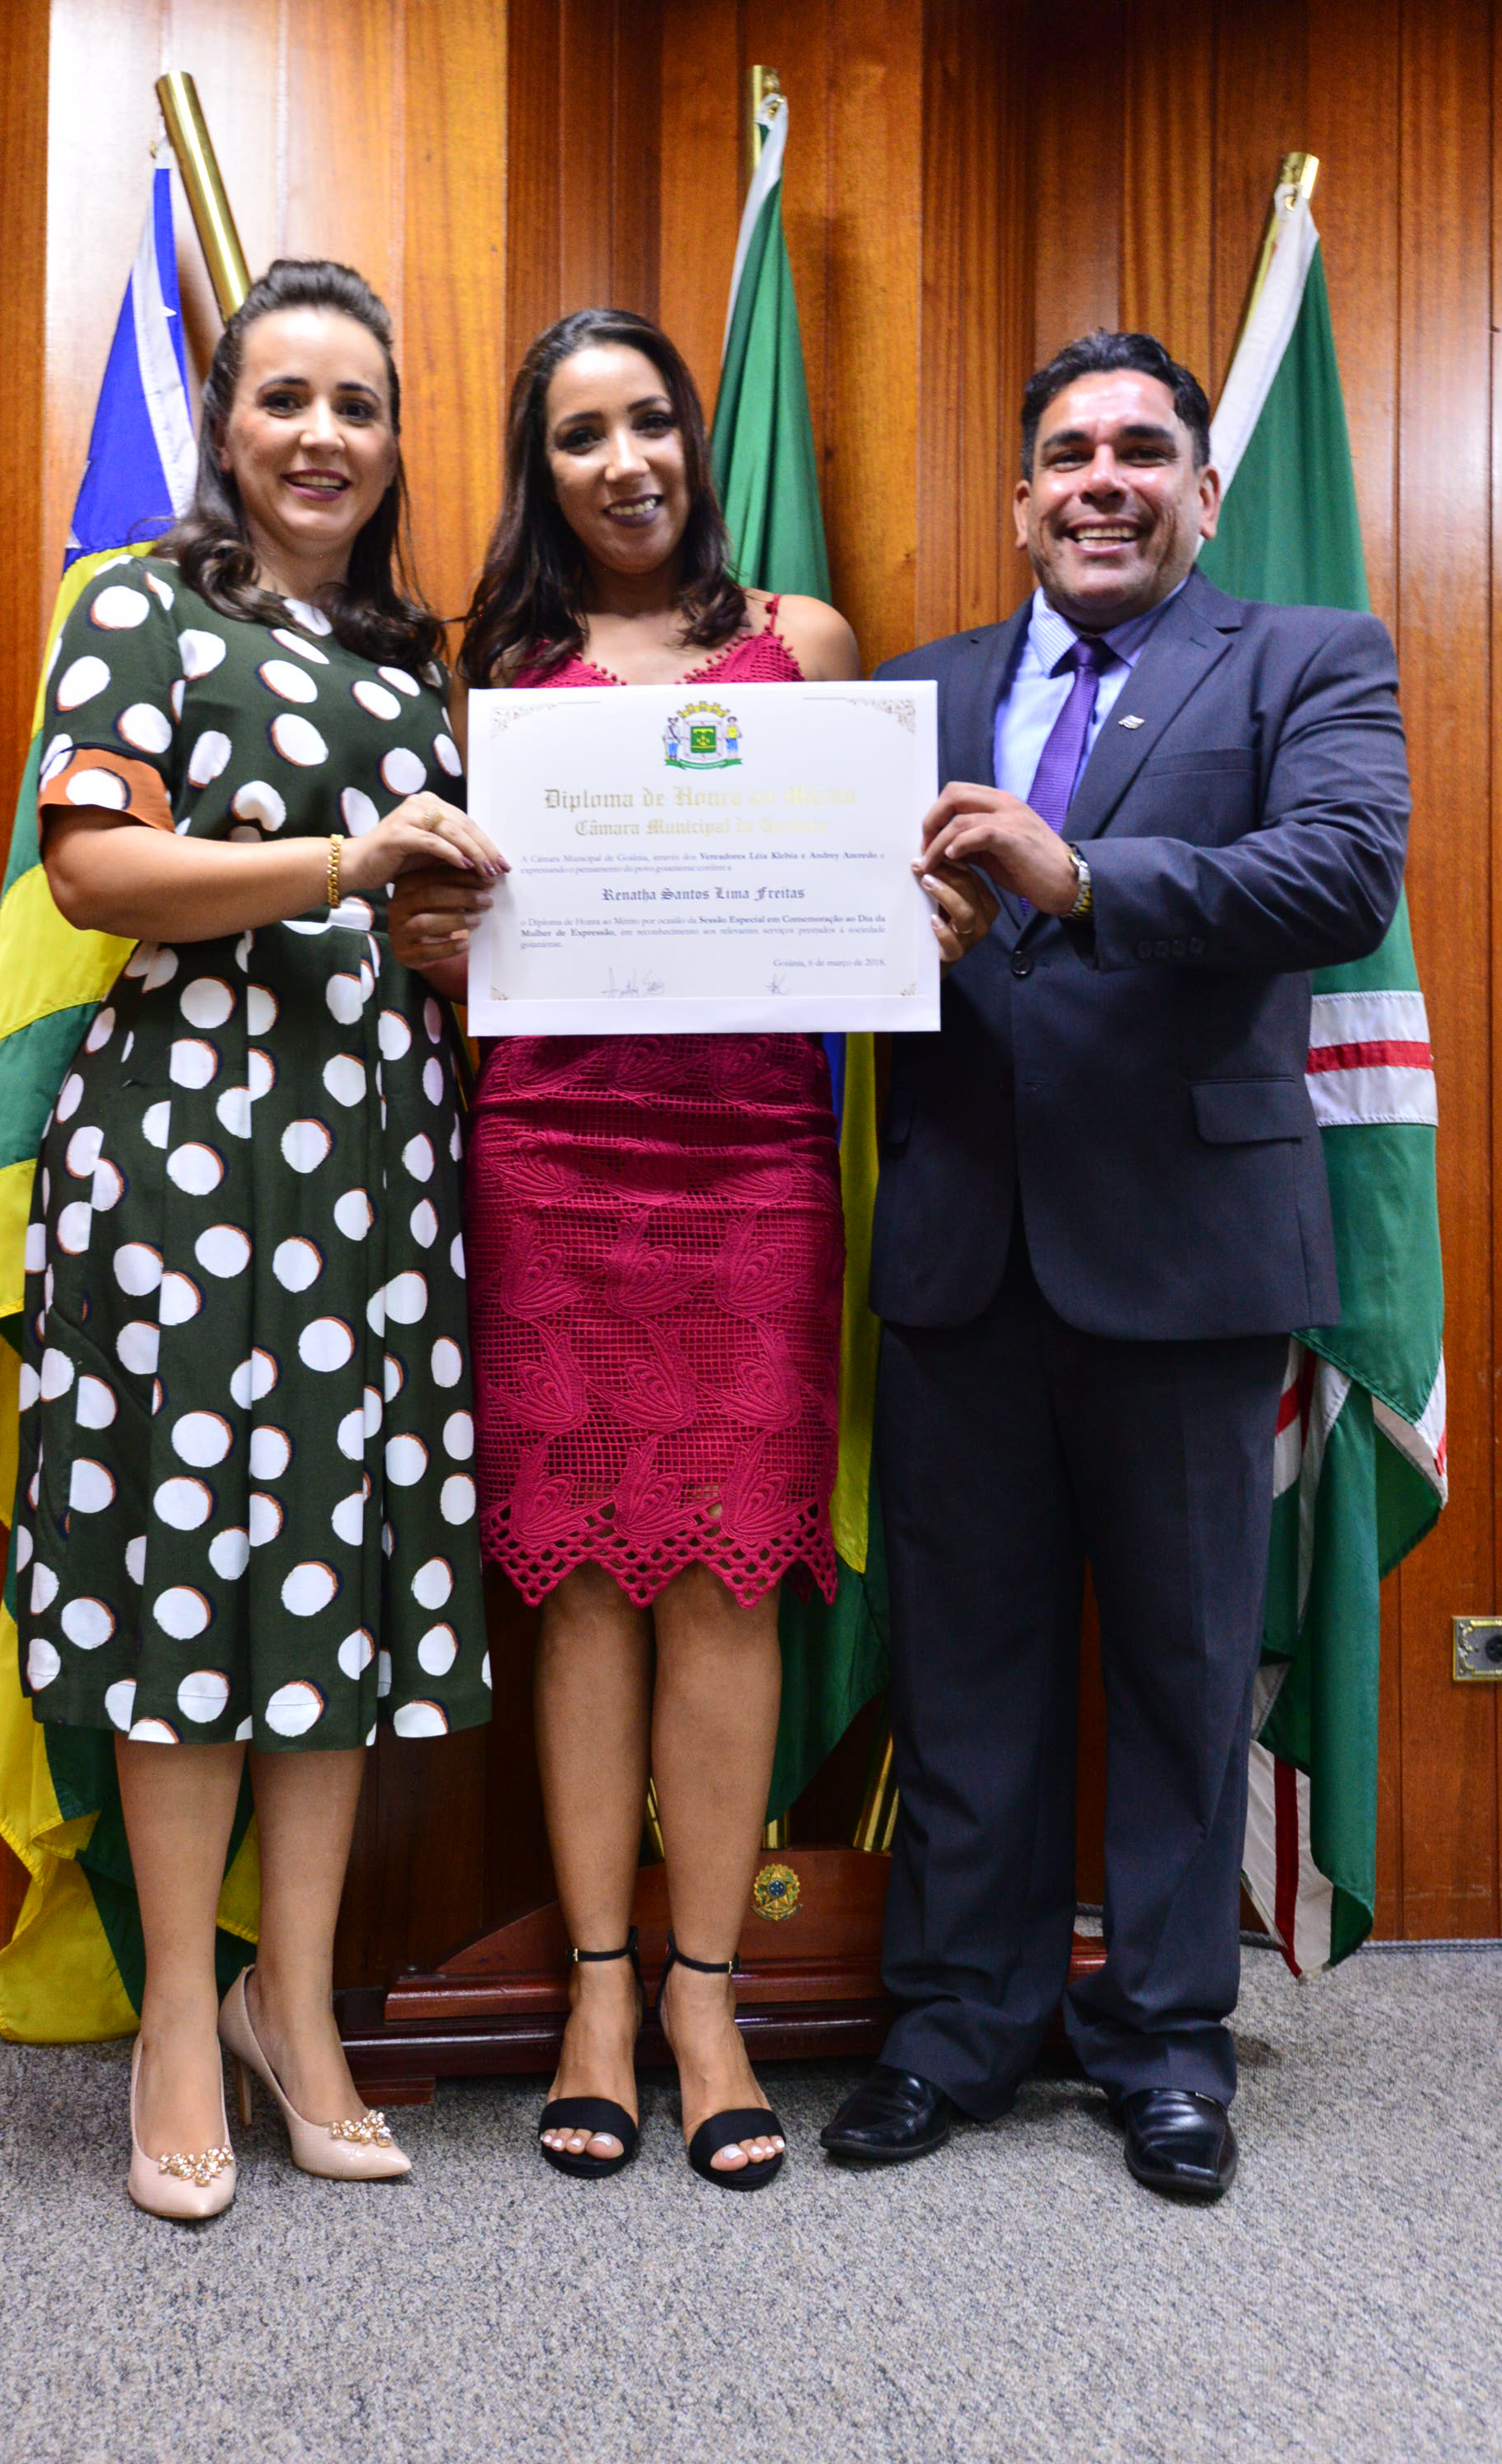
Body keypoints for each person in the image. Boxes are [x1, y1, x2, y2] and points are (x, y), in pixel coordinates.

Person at [391, 306, 988, 2190]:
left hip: (750, 1165)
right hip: (553, 1154)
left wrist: (920, 924)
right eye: (579, 435)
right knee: (578, 1578)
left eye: (648, 420)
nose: (622, 459)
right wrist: (434, 948)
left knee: (729, 1579)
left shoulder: (803, 645)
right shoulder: (499, 673)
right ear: (541, 470)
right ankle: (595, 1991)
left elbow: (862, 898)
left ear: (691, 440)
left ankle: (706, 1996)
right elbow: (459, 939)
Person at [820, 329, 1410, 2199]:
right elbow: (814, 933)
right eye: (1067, 454)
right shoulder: (907, 697)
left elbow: (1341, 878)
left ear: (1200, 493)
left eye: (1140, 452)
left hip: (1187, 1253)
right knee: (966, 1669)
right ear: (1018, 500)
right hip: (959, 1252)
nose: (1101, 481)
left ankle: (1163, 2041)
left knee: (1178, 1667)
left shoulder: (1306, 659)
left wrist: (1074, 877)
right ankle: (957, 2027)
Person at [13, 258, 500, 2218]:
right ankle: (170, 2016)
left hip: (374, 1166)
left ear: (392, 441)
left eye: (356, 404)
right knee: (184, 1586)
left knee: (324, 1585)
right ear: (224, 424)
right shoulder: (141, 603)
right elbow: (93, 867)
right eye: (284, 397)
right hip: (185, 1168)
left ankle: (289, 2007)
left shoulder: (408, 665)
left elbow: (411, 925)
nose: (321, 435)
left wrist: (434, 937)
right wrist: (342, 866)